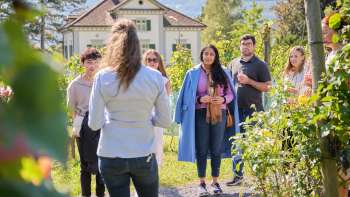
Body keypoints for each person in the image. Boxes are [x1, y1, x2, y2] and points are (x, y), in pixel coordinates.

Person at [88, 19, 171, 197]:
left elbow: (94, 123)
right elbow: (165, 120)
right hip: (144, 152)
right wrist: (145, 119)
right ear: (137, 45)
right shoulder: (155, 77)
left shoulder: (102, 77)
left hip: (111, 153)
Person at [175, 44, 239, 196]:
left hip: (220, 114)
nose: (209, 56)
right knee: (202, 148)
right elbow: (186, 95)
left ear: (215, 56)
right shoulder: (192, 73)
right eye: (206, 54)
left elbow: (231, 94)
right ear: (201, 56)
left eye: (212, 54)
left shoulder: (223, 72)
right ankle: (202, 183)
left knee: (216, 148)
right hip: (200, 113)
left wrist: (222, 99)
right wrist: (199, 98)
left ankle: (215, 182)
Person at [226, 34, 272, 186]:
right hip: (236, 111)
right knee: (237, 144)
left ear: (254, 46)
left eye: (249, 44)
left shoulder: (260, 64)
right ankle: (238, 177)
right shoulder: (233, 63)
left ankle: (260, 178)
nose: (245, 46)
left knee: (256, 145)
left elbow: (267, 87)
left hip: (254, 112)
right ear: (240, 46)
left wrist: (249, 81)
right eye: (243, 43)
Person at [67, 47, 105, 197]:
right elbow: (71, 109)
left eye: (96, 62)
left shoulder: (102, 82)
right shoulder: (74, 85)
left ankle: (100, 194)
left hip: (101, 125)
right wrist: (78, 127)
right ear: (83, 63)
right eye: (89, 62)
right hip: (82, 125)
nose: (93, 66)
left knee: (102, 162)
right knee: (85, 166)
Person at [143, 49, 171, 167]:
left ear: (159, 62)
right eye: (149, 60)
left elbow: (166, 100)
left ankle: (156, 166)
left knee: (157, 142)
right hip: (143, 113)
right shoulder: (140, 78)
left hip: (157, 114)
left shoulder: (165, 80)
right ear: (145, 61)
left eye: (155, 60)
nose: (152, 62)